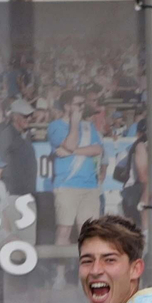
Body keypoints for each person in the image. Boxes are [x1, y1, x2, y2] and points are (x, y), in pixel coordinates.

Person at [48, 89, 104, 245]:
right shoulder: (55, 126)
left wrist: (72, 152)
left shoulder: (88, 126)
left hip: (90, 186)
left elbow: (98, 150)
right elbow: (70, 143)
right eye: (78, 104)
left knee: (90, 233)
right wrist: (74, 123)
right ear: (67, 106)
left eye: (83, 104)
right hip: (67, 185)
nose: (82, 107)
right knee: (64, 231)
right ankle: (59, 270)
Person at [0, 97, 37, 199]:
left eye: (30, 115)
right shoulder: (2, 133)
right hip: (10, 193)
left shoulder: (26, 134)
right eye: (25, 116)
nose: (29, 119)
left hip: (26, 193)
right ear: (15, 116)